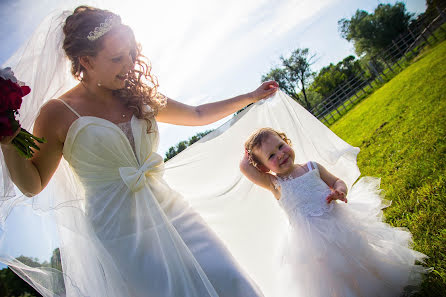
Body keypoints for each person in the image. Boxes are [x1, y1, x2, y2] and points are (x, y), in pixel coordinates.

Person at [0, 6, 279, 297]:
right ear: (86, 61)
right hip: (119, 231)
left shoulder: (136, 95)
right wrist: (7, 142)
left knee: (229, 279)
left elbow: (196, 113)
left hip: (170, 208)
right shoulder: (56, 114)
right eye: (117, 58)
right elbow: (33, 184)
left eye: (131, 53)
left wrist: (250, 96)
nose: (130, 64)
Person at [239, 127, 431, 297]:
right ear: (263, 167)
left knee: (361, 258)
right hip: (312, 244)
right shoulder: (275, 184)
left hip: (340, 224)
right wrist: (250, 150)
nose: (280, 155)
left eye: (280, 146)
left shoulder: (312, 167)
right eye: (271, 156)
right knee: (331, 276)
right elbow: (244, 167)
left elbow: (337, 181)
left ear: (287, 142)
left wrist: (340, 191)